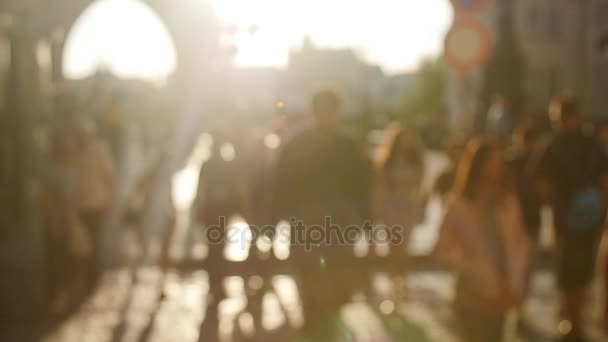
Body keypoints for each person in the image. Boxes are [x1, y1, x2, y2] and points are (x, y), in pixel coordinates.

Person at [272, 87, 372, 340]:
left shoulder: (297, 144)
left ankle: (319, 327)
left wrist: (272, 226)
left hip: (314, 224)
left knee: (316, 287)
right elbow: (362, 189)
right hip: (334, 224)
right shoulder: (347, 145)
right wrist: (368, 228)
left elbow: (280, 187)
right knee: (330, 288)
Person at [433, 139, 530, 342]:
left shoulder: (508, 202)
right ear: (477, 165)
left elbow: (520, 243)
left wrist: (518, 278)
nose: (495, 169)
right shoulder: (460, 204)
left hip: (503, 291)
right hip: (472, 295)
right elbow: (441, 249)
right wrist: (470, 268)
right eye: (490, 162)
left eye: (499, 162)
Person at [533, 96, 608, 341]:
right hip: (592, 215)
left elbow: (542, 185)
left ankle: (572, 321)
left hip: (566, 218)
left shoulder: (554, 144)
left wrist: (555, 200)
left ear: (558, 116)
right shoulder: (592, 142)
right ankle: (576, 320)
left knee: (568, 271)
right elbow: (604, 179)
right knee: (585, 270)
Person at [373, 124, 426, 293]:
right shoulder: (387, 162)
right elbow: (380, 188)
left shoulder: (416, 162)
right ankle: (393, 279)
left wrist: (421, 208)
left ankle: (401, 278)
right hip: (392, 208)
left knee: (405, 246)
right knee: (394, 247)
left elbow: (421, 189)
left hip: (408, 207)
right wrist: (378, 210)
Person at [74, 120, 114, 290]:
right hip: (81, 204)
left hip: (96, 203)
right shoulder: (78, 153)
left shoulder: (100, 151)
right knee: (83, 241)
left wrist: (109, 199)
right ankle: (85, 273)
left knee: (94, 240)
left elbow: (109, 176)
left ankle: (93, 275)